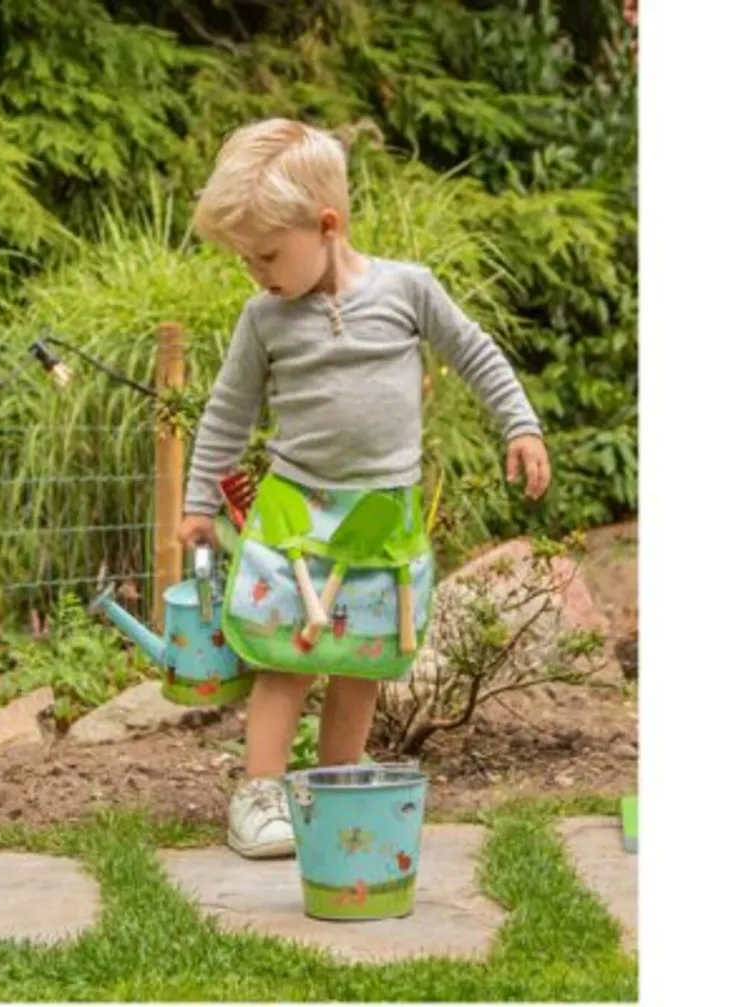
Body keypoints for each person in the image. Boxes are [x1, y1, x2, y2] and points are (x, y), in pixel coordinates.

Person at [178, 118, 551, 859]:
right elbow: (228, 408)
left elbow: (475, 353)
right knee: (288, 655)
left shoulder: (408, 290)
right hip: (296, 513)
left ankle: (336, 784)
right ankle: (258, 792)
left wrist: (521, 424)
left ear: (328, 223)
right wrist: (197, 503)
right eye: (248, 259)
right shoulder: (265, 318)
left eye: (267, 255)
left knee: (362, 662)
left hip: (380, 517)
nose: (256, 271)